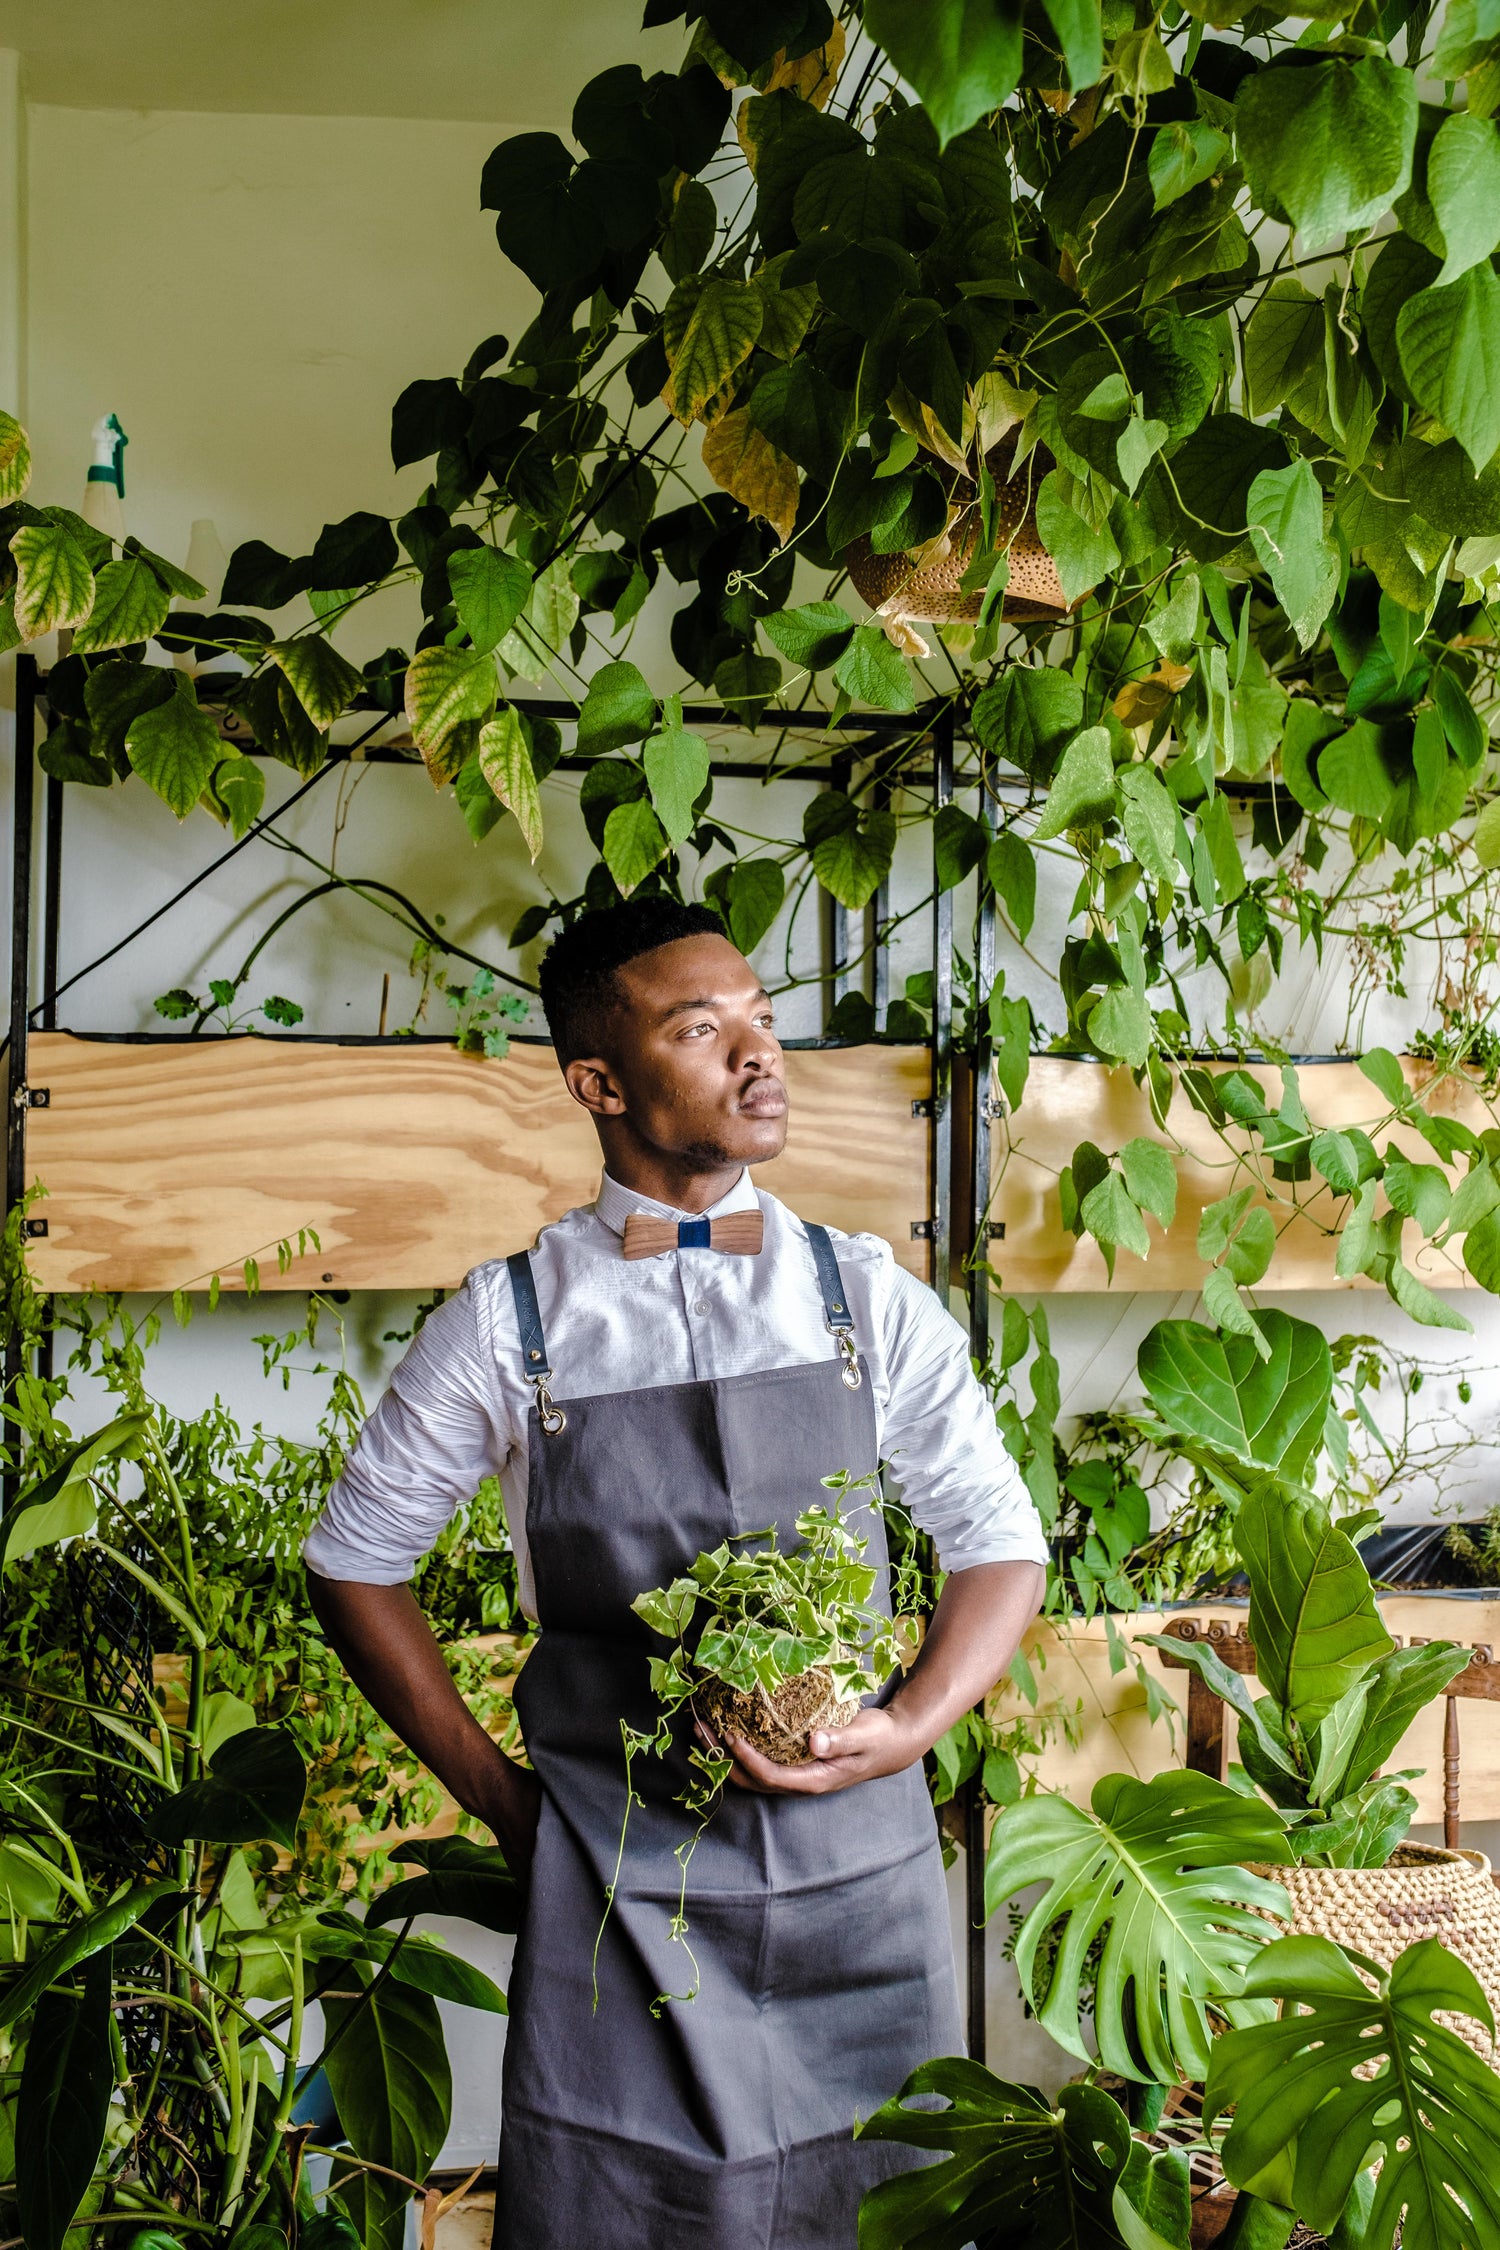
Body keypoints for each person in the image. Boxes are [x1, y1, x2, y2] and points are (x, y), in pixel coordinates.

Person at [304, 897, 1047, 2250]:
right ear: (599, 1081)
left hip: (857, 1889)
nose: (759, 1054)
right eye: (701, 1030)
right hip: (623, 1903)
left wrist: (908, 1726)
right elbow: (354, 1562)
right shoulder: (508, 1324)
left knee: (878, 2207)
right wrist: (512, 1807)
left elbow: (998, 1539)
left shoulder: (863, 1294)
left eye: (761, 1017)